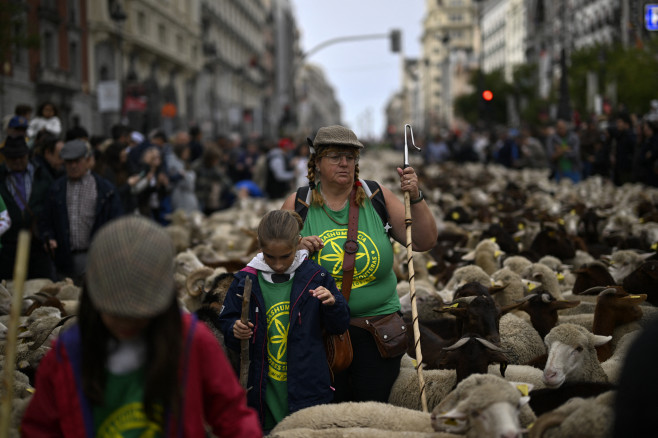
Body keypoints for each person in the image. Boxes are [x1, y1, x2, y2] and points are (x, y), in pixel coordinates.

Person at [21, 216, 262, 437]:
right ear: (94, 301)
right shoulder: (67, 355)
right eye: (116, 313)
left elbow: (233, 416)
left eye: (141, 313)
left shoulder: (192, 342)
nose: (128, 323)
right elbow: (40, 428)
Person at [281, 125, 438, 403]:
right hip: (319, 333)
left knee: (374, 414)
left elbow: (424, 240)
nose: (345, 163)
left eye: (351, 157)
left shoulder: (377, 197)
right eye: (335, 156)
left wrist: (415, 197)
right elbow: (274, 265)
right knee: (330, 416)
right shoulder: (298, 204)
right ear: (317, 161)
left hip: (377, 333)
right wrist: (295, 250)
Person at [218, 209, 350, 432]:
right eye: (270, 257)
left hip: (307, 389)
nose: (278, 265)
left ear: (298, 243)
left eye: (285, 256)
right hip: (260, 391)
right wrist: (234, 329)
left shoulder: (316, 277)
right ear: (259, 247)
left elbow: (339, 325)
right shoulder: (244, 280)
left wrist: (333, 304)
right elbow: (228, 323)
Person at [40, 139, 123, 284]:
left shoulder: (104, 190)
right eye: (68, 162)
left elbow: (116, 222)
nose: (72, 166)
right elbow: (46, 221)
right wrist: (49, 237)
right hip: (64, 259)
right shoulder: (56, 189)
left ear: (88, 160)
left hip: (95, 257)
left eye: (77, 161)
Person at [0, 135, 54, 280]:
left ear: (27, 155)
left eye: (21, 156)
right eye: (13, 157)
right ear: (5, 157)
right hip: (8, 247)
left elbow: (51, 205)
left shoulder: (41, 174)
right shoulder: (1, 176)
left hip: (37, 245)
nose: (17, 161)